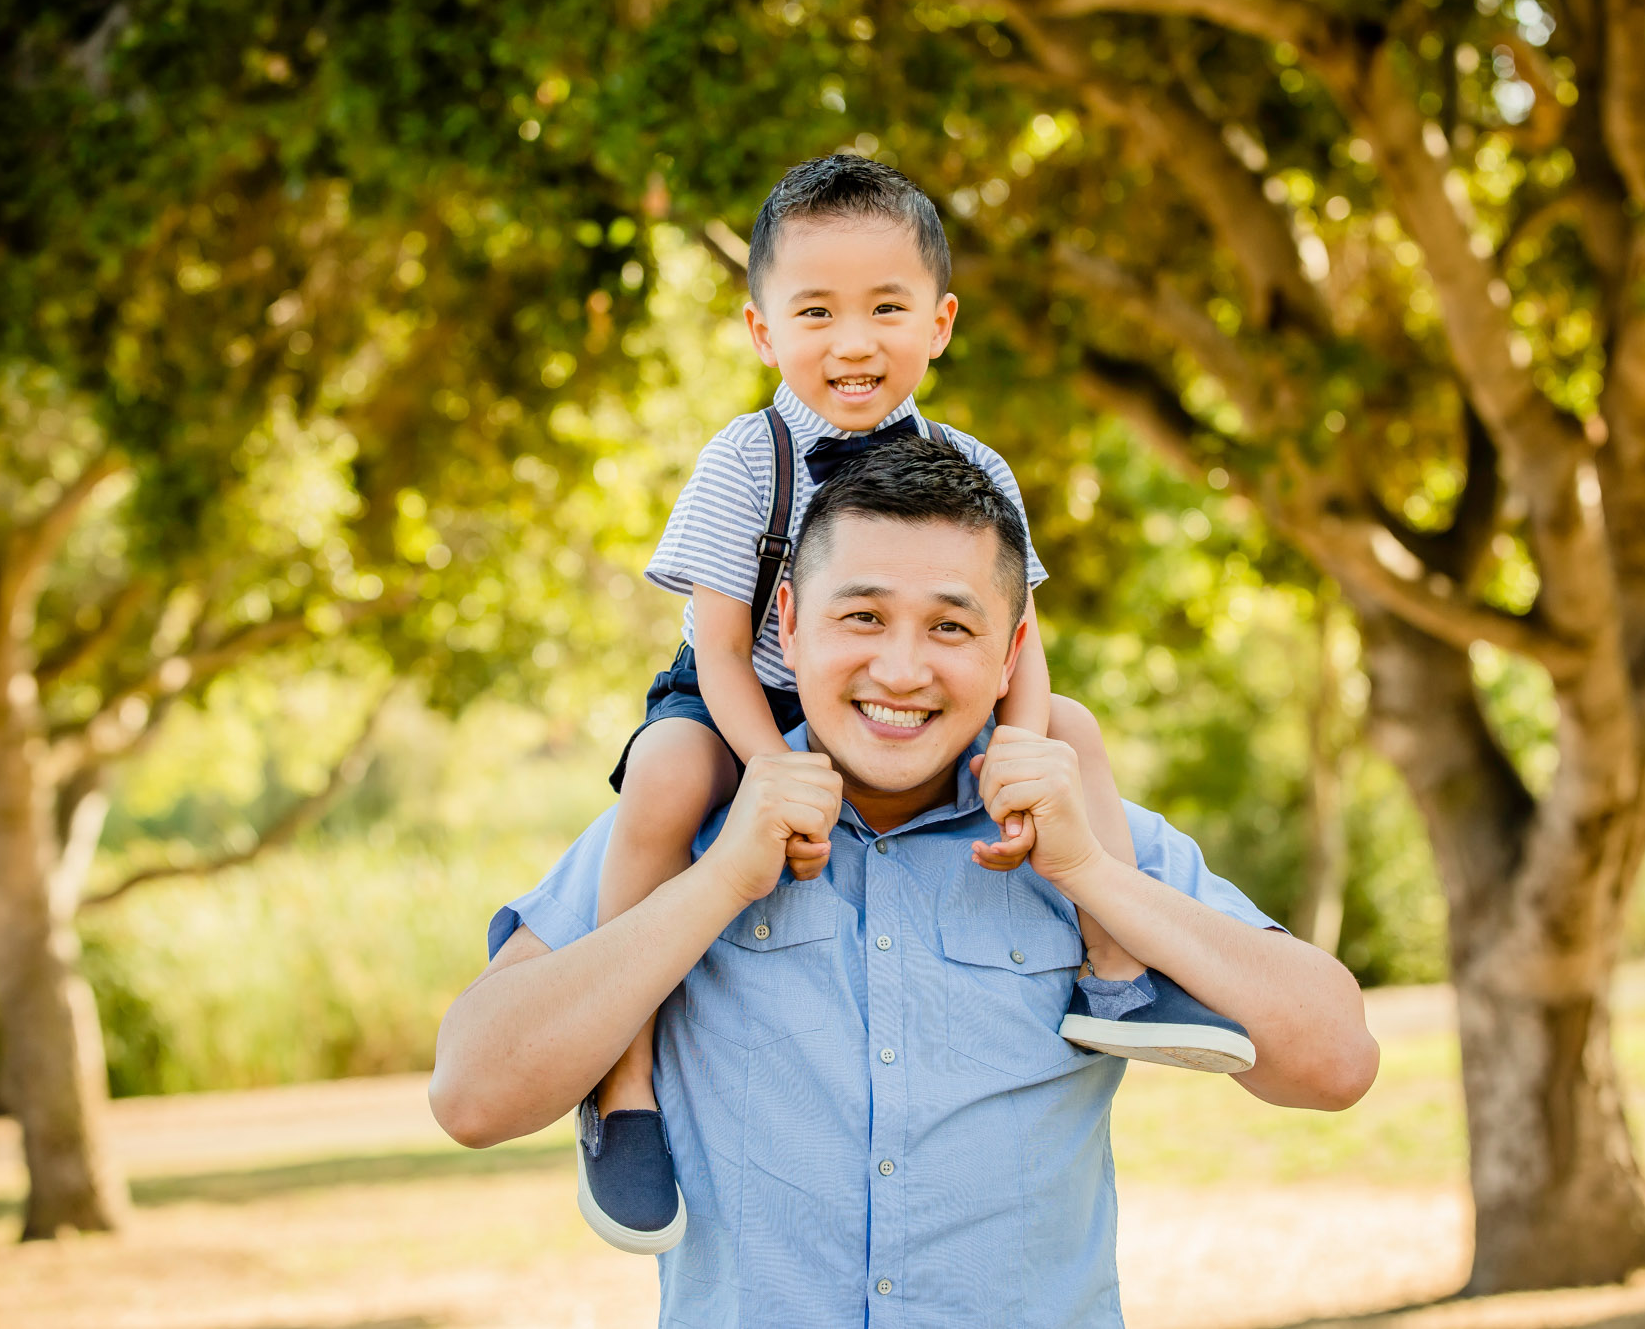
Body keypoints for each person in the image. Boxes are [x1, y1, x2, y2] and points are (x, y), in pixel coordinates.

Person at [429, 440, 1381, 1327]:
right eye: (863, 615)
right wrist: (719, 882)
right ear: (791, 627)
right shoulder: (684, 826)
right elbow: (473, 1095)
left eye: (951, 626)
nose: (902, 667)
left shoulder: (1083, 829)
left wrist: (1090, 872)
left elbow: (1335, 1061)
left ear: (1009, 655)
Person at [577, 154, 1241, 1253]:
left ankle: (1118, 976)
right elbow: (721, 644)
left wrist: (1017, 756)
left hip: (916, 697)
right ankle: (622, 1084)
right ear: (759, 330)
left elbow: (1019, 637)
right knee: (664, 770)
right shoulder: (749, 461)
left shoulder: (970, 465)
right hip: (752, 697)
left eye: (886, 309)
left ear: (937, 323)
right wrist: (772, 765)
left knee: (1069, 729)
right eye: (816, 312)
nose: (852, 342)